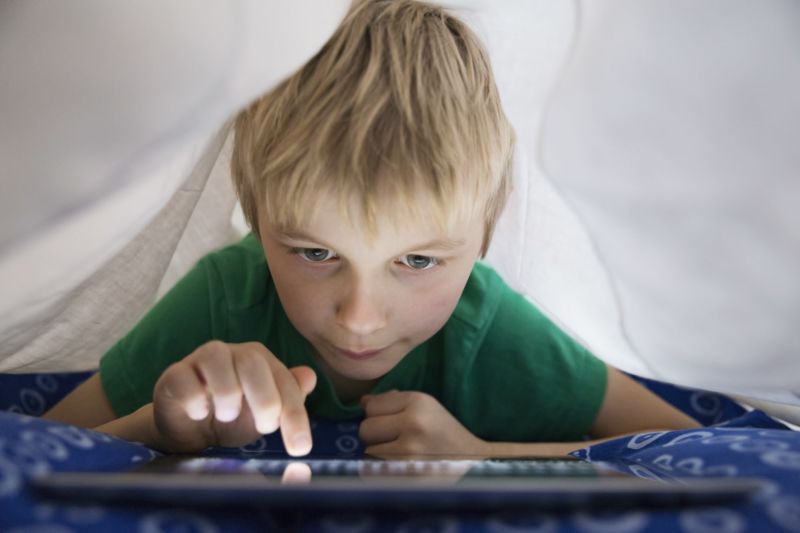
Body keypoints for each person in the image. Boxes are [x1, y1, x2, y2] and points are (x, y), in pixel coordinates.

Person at [44, 0, 699, 457]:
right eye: (316, 251)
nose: (360, 317)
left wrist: (483, 453)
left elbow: (683, 446)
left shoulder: (488, 329)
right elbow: (42, 442)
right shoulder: (228, 297)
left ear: (485, 235)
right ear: (258, 216)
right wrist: (161, 430)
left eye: (417, 261)